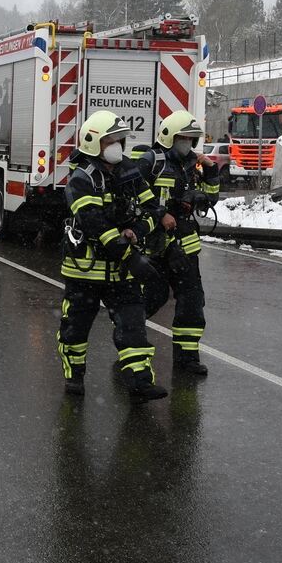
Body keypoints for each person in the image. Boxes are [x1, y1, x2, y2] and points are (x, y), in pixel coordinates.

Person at [58, 110, 167, 403]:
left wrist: (136, 230)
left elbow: (153, 210)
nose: (119, 145)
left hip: (121, 273)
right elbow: (94, 222)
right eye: (112, 140)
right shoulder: (81, 179)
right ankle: (74, 375)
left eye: (120, 139)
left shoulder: (130, 173)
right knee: (75, 330)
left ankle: (140, 382)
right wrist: (129, 254)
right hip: (86, 272)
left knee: (133, 325)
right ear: (95, 143)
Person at [133, 111, 220, 376]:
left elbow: (212, 199)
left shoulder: (193, 164)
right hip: (157, 246)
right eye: (184, 137)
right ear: (170, 136)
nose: (189, 143)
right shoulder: (152, 161)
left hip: (185, 247)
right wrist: (161, 213)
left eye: (192, 139)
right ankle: (129, 342)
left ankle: (187, 359)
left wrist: (211, 174)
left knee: (192, 302)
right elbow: (134, 195)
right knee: (153, 297)